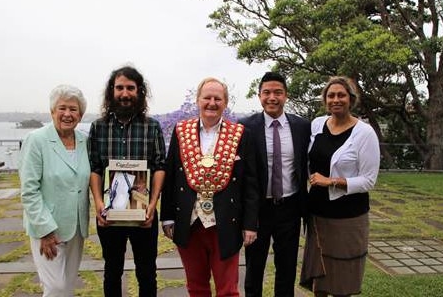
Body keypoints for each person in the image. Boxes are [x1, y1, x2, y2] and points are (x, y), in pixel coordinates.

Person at [160, 77, 261, 296]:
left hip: (226, 221)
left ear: (225, 102)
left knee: (228, 289)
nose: (212, 103)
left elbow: (250, 184)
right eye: (207, 98)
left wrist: (250, 224)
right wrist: (167, 216)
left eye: (218, 98)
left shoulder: (241, 134)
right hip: (189, 221)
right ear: (198, 100)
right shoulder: (180, 132)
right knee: (196, 287)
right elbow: (171, 177)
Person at [88, 66, 166, 296]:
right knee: (112, 271)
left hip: (144, 213)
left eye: (130, 88)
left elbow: (160, 166)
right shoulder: (99, 127)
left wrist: (152, 206)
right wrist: (99, 205)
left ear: (139, 91)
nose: (125, 93)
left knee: (146, 272)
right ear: (111, 91)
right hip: (110, 214)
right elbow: (95, 169)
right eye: (119, 87)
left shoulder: (151, 126)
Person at [300, 76, 380, 297]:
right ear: (325, 100)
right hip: (318, 214)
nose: (336, 99)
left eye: (341, 95)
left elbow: (369, 180)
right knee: (320, 278)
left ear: (351, 99)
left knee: (342, 282)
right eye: (331, 95)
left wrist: (331, 181)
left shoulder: (364, 133)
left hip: (348, 217)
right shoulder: (317, 124)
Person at [239, 72, 310, 297]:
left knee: (287, 268)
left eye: (278, 92)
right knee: (254, 268)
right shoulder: (245, 127)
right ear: (259, 96)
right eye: (267, 92)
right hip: (258, 209)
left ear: (286, 96)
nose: (272, 97)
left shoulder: (301, 126)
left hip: (290, 207)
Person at [20, 84, 90, 297]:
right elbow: (29, 190)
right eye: (62, 108)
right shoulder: (37, 140)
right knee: (55, 288)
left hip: (76, 227)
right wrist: (44, 230)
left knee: (67, 286)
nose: (68, 114)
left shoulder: (84, 141)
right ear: (52, 111)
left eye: (73, 109)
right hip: (48, 229)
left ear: (81, 114)